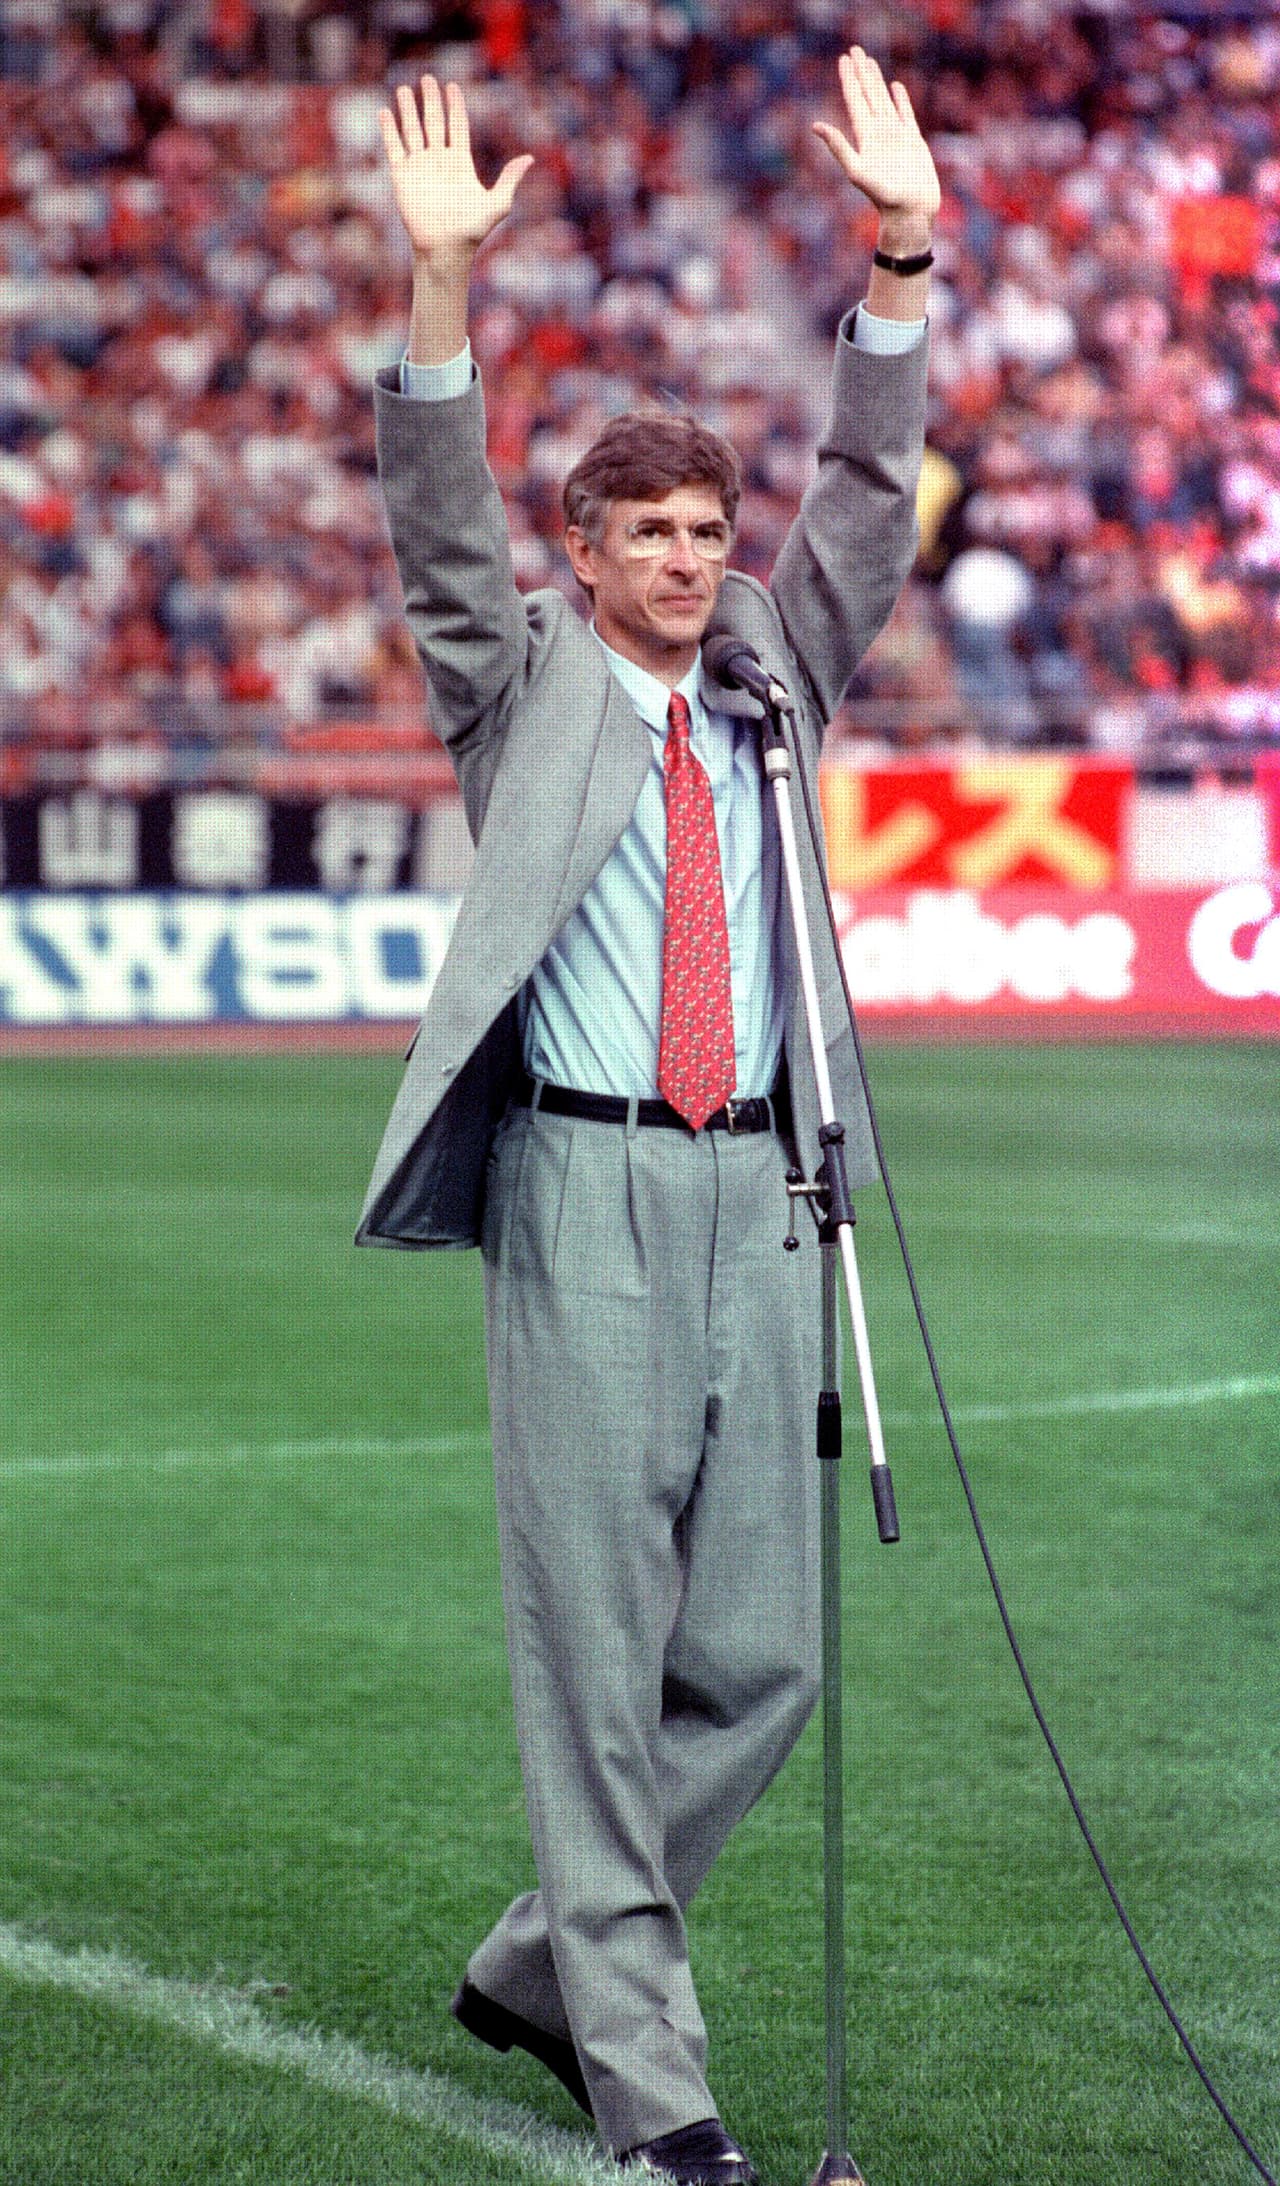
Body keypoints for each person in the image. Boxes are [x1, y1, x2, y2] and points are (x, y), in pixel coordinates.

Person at [357, 53, 936, 2186]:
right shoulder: (517, 685)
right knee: (597, 1655)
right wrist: (438, 292)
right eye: (652, 531)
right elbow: (434, 518)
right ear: (580, 552)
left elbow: (866, 496)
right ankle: (653, 2084)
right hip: (586, 1182)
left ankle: (541, 1957)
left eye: (709, 529)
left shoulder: (783, 674)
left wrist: (897, 254)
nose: (693, 557)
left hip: (774, 1199)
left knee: (761, 1664)